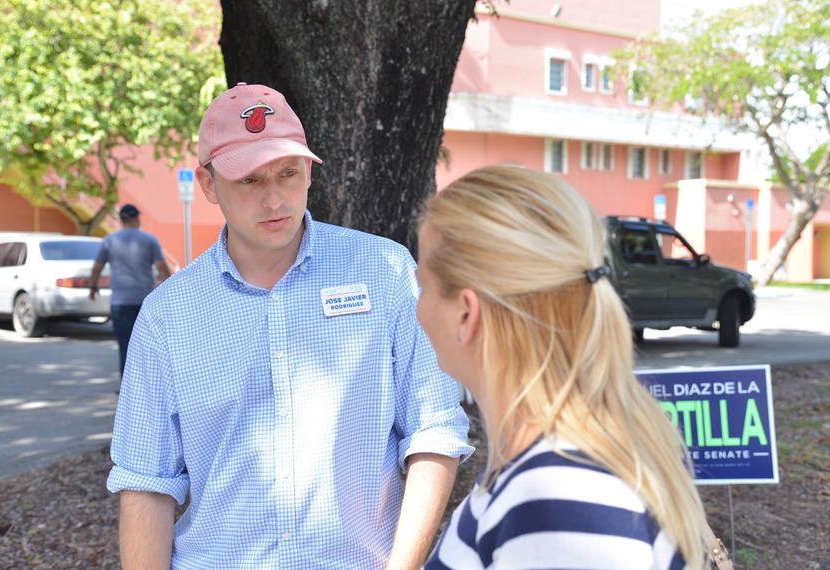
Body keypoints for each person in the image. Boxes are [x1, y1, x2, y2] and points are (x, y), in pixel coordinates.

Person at [106, 82, 473, 569]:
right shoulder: (167, 314)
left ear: (309, 172)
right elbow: (146, 481)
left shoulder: (383, 271)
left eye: (288, 173)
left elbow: (433, 432)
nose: (275, 198)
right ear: (210, 185)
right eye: (250, 181)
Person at [416, 165, 707, 569]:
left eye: (424, 287)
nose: (417, 309)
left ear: (466, 313)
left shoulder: (553, 499)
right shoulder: (563, 467)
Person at [89, 203, 171, 379]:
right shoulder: (150, 240)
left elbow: (97, 267)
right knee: (148, 347)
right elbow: (162, 268)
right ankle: (150, 387)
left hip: (120, 302)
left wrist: (93, 286)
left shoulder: (109, 240)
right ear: (136, 219)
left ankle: (128, 391)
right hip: (145, 301)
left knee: (125, 345)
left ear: (121, 220)